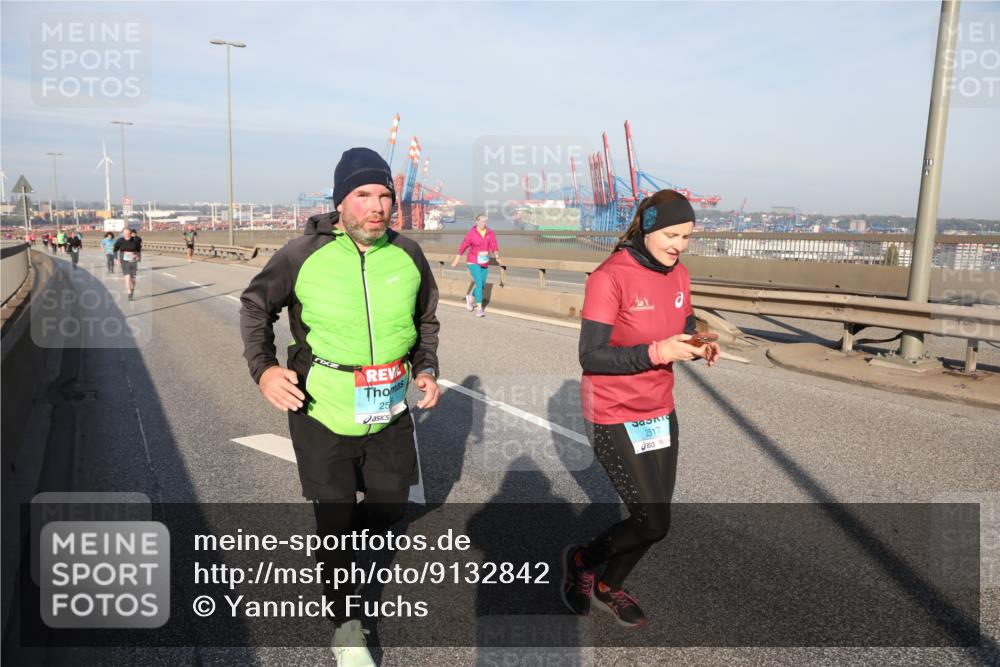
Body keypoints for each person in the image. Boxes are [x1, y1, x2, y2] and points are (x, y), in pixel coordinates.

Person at [240, 147, 441, 667]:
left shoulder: (410, 254)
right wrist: (263, 369)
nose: (377, 207)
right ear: (341, 202)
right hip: (323, 409)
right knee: (336, 524)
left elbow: (425, 323)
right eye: (363, 196)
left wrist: (427, 369)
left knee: (387, 513)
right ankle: (347, 626)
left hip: (390, 411)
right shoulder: (301, 253)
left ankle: (350, 567)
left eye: (384, 197)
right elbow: (255, 306)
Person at [561, 190, 721, 628]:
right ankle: (580, 562)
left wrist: (697, 341)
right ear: (648, 227)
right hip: (613, 412)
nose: (679, 245)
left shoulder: (680, 274)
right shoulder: (610, 277)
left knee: (652, 517)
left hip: (659, 409)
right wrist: (656, 351)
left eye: (687, 237)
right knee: (653, 522)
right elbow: (590, 356)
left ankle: (609, 586)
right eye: (672, 234)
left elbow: (683, 324)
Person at [450, 214, 500, 317]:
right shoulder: (471, 233)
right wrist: (456, 261)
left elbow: (494, 244)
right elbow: (463, 247)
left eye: (485, 222)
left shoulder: (490, 233)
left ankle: (470, 298)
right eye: (481, 221)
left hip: (484, 261)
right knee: (478, 281)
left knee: (481, 284)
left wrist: (497, 255)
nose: (483, 224)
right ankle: (479, 309)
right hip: (473, 261)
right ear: (476, 222)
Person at [113, 227, 142, 300]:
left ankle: (132, 290)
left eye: (128, 233)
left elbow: (139, 250)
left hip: (133, 260)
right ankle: (129, 293)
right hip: (124, 260)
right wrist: (116, 259)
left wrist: (138, 256)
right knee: (127, 277)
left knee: (132, 279)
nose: (127, 235)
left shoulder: (135, 241)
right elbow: (115, 250)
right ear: (123, 233)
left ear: (130, 233)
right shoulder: (120, 240)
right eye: (125, 233)